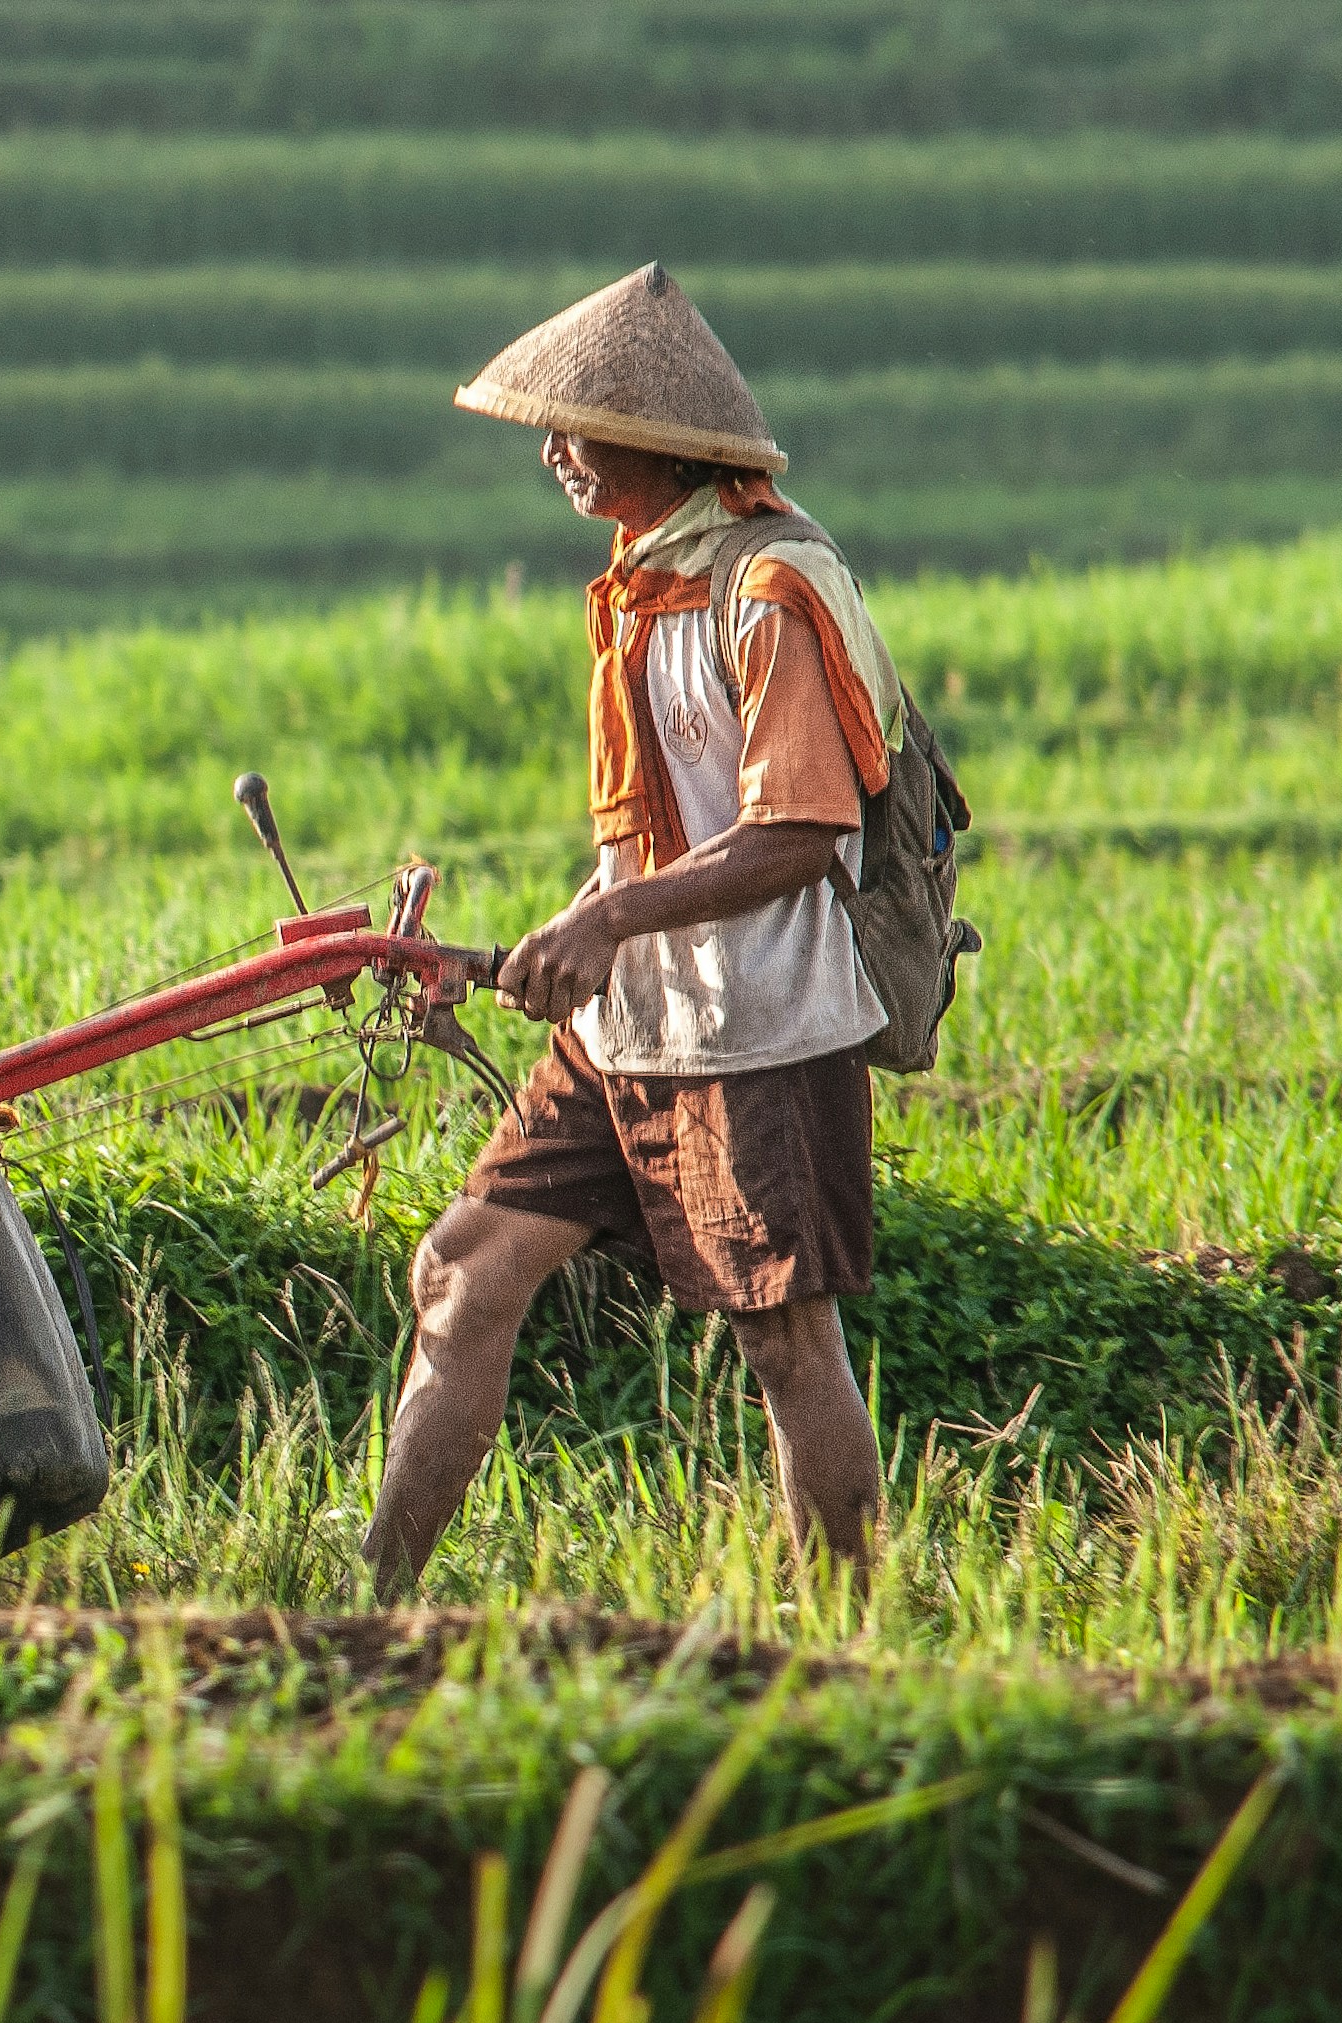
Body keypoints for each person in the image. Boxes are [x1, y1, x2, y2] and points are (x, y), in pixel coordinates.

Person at [364, 264, 911, 1597]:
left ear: (662, 441)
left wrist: (612, 919)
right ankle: (368, 1609)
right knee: (464, 1269)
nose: (552, 455)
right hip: (636, 1029)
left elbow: (796, 830)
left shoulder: (770, 586)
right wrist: (549, 942)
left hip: (761, 1025)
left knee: (786, 1340)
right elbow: (649, 839)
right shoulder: (640, 586)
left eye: (574, 428)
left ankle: (844, 1647)